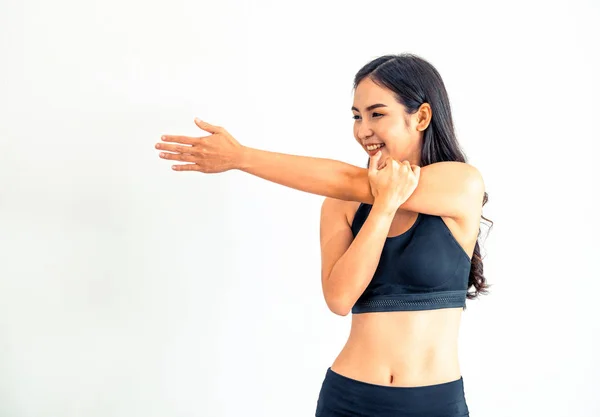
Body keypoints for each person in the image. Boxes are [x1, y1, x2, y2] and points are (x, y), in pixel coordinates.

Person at [155, 53, 492, 416]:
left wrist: (243, 157)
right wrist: (382, 209)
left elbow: (349, 179)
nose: (363, 130)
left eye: (377, 114)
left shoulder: (460, 184)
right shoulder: (341, 204)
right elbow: (340, 299)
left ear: (421, 116)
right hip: (349, 399)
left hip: (434, 403)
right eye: (356, 116)